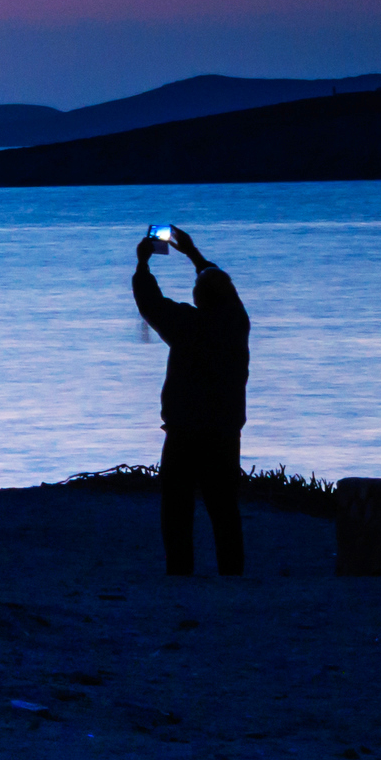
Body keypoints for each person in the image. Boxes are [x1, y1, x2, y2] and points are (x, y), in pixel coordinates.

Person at [133, 227, 248, 577]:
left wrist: (143, 265)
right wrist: (194, 255)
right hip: (224, 431)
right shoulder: (236, 323)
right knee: (224, 507)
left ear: (198, 298)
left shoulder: (185, 325)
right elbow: (226, 292)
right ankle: (231, 572)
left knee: (177, 507)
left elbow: (151, 303)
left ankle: (180, 571)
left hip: (184, 431)